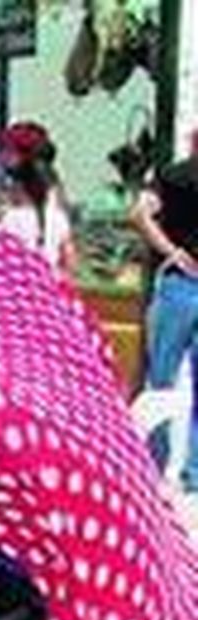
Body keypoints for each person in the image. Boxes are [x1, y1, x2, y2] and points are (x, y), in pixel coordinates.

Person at [131, 126, 198, 490]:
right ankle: (195, 472)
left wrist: (170, 250)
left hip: (179, 284)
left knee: (161, 376)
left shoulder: (172, 176)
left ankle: (151, 464)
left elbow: (139, 214)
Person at [0, 123, 76, 278]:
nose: (3, 156)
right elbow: (68, 255)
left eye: (7, 150)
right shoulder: (54, 194)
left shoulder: (15, 213)